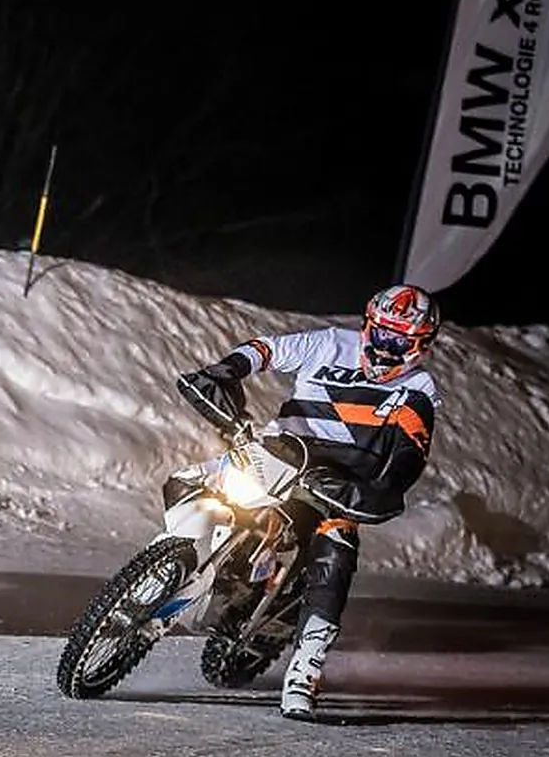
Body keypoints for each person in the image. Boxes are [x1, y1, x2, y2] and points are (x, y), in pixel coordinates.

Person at [176, 283, 442, 721]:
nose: (386, 349)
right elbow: (266, 349)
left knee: (338, 548)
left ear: (420, 347)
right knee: (194, 479)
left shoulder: (419, 388)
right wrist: (225, 370)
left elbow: (412, 451)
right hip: (280, 455)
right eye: (381, 336)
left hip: (338, 484)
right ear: (368, 326)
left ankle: (305, 671)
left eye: (400, 342)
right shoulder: (330, 343)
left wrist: (384, 488)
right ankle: (169, 562)